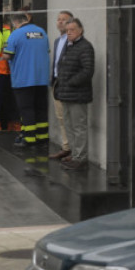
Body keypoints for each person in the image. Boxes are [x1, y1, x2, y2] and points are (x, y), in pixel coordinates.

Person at [2, 8, 50, 148]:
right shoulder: (42, 32)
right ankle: (42, 138)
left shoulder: (16, 34)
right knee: (41, 108)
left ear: (15, 22)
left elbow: (8, 54)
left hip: (23, 79)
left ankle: (29, 139)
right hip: (41, 78)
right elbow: (45, 51)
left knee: (26, 109)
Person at [55, 18, 94, 171]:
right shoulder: (68, 46)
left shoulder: (85, 47)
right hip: (65, 93)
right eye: (67, 30)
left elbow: (87, 70)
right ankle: (74, 153)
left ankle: (81, 157)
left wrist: (71, 82)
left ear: (81, 30)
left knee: (79, 127)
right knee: (69, 125)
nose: (69, 33)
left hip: (78, 95)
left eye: (72, 30)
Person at [49, 10, 74, 160]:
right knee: (60, 117)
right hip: (57, 83)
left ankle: (73, 150)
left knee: (70, 118)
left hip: (67, 84)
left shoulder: (72, 41)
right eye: (58, 19)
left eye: (63, 20)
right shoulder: (58, 40)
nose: (59, 22)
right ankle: (66, 147)